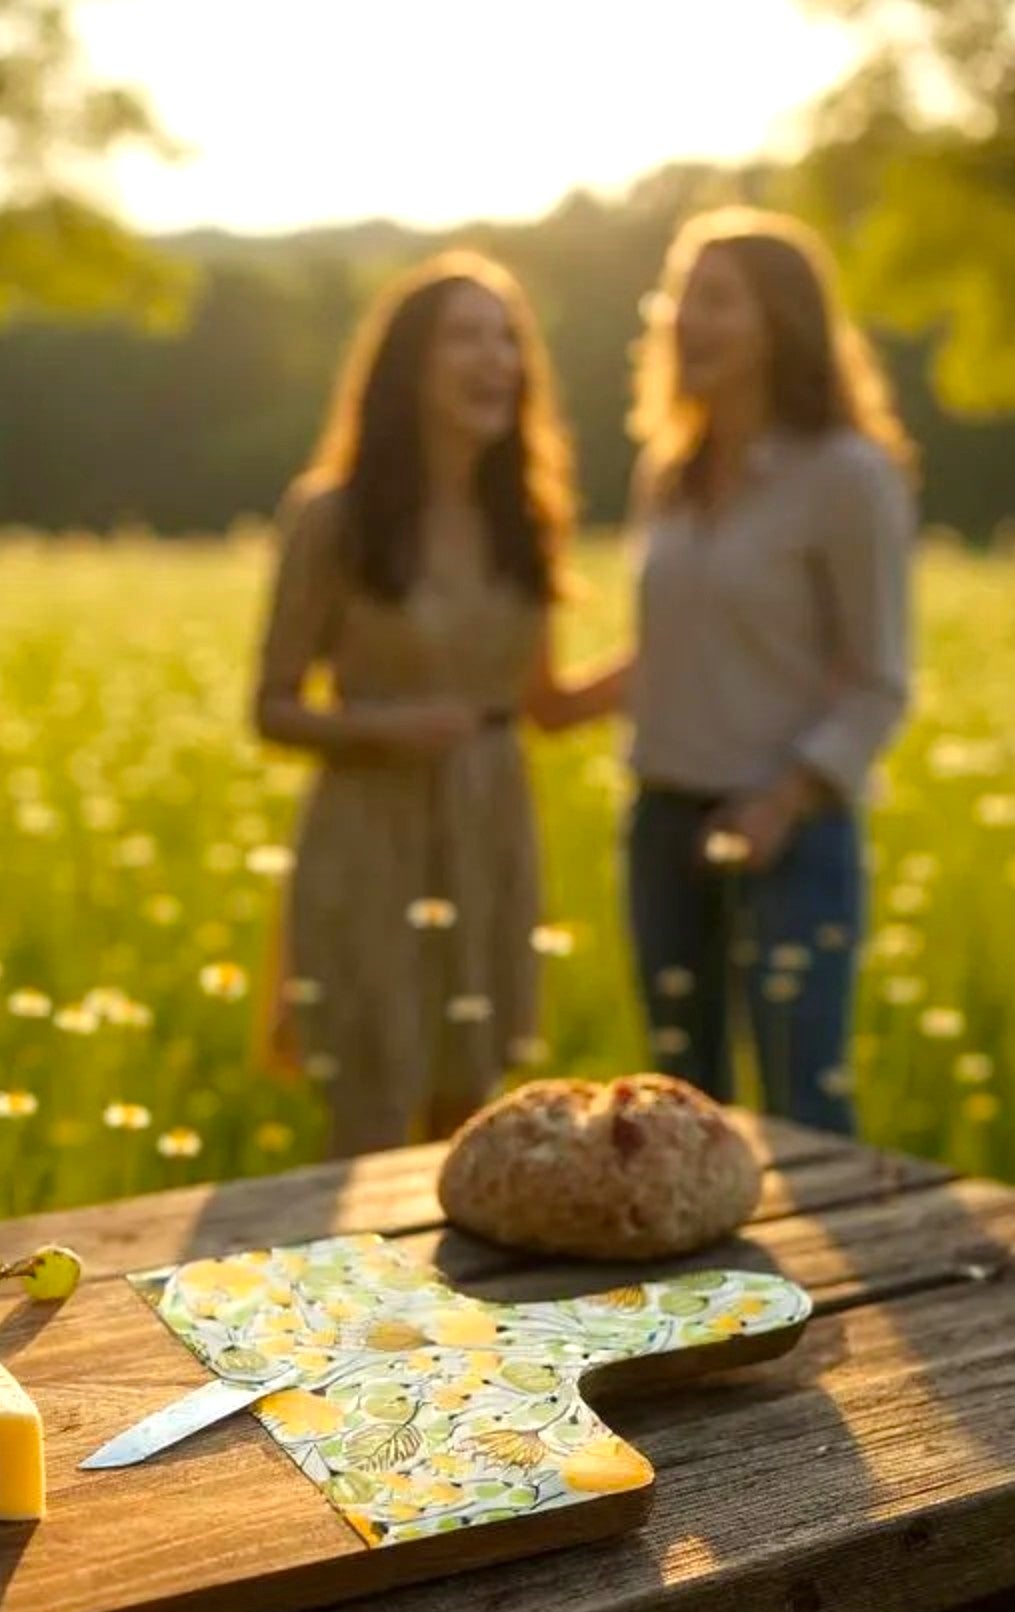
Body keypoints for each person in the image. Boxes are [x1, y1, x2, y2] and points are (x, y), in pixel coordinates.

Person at [565, 207, 917, 1134]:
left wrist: (779, 801)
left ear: (782, 324)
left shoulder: (848, 476)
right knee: (677, 1112)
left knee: (804, 1113)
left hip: (794, 833)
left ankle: (829, 1288)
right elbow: (682, 643)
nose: (687, 319)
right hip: (662, 821)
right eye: (680, 295)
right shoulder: (667, 471)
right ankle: (701, 1289)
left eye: (718, 299)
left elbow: (880, 677)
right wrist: (557, 700)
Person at [253, 251, 586, 1158]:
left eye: (508, 339)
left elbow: (545, 702)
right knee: (369, 1102)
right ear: (410, 365)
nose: (496, 359)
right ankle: (343, 1300)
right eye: (466, 338)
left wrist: (680, 653)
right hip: (370, 832)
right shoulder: (333, 518)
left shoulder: (526, 515)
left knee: (470, 1107)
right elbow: (272, 706)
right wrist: (383, 729)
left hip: (490, 822)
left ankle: (453, 1301)